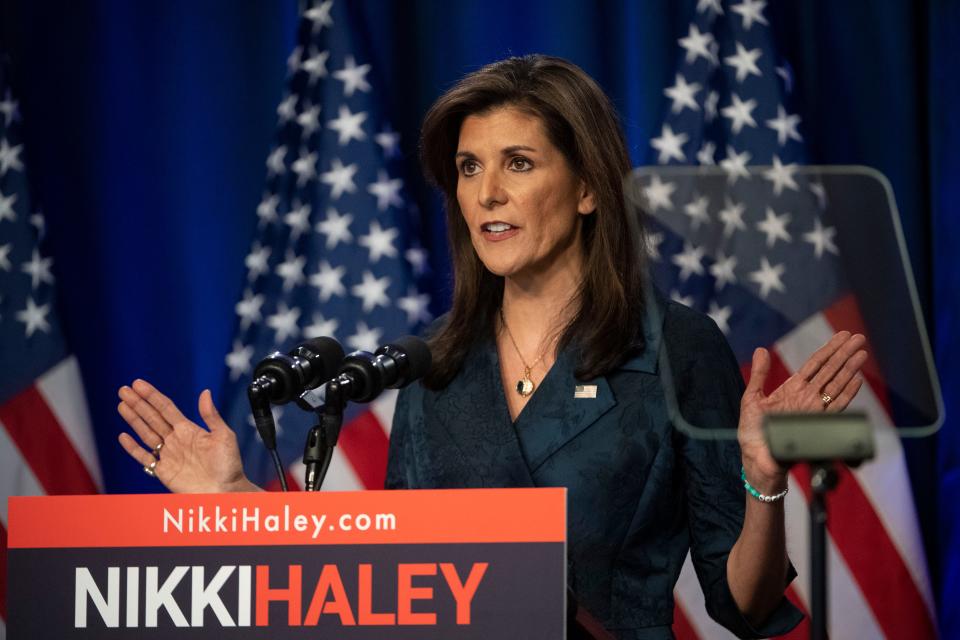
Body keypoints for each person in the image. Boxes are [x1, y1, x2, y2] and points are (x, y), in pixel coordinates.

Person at [117, 55, 868, 639]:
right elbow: (390, 583)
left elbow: (744, 603)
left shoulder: (675, 347)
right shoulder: (432, 364)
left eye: (518, 163)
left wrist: (763, 480)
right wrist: (236, 503)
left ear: (588, 190)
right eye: (470, 168)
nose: (485, 193)